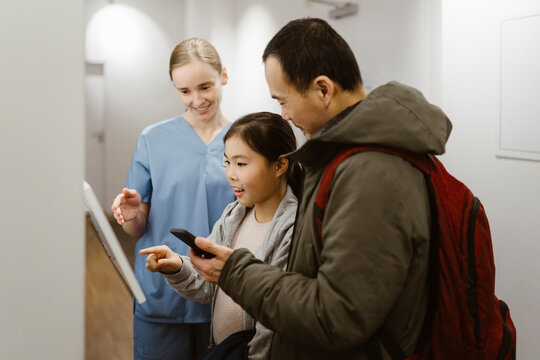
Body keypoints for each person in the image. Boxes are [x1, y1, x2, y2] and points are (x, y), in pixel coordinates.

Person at [187, 18, 453, 359]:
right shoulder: (344, 157)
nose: (282, 115)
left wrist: (235, 272)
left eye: (283, 100)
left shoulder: (369, 172)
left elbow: (337, 316)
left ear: (323, 90)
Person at [138, 112, 303, 360]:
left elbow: (275, 317)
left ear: (280, 165)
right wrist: (177, 267)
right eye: (227, 162)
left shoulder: (293, 230)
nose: (230, 174)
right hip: (222, 350)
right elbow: (208, 286)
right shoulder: (233, 216)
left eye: (241, 163)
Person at [111, 38, 235, 360]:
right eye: (185, 91)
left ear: (224, 75)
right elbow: (135, 230)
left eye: (205, 86)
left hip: (225, 292)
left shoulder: (243, 139)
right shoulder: (153, 139)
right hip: (162, 292)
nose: (196, 100)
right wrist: (133, 213)